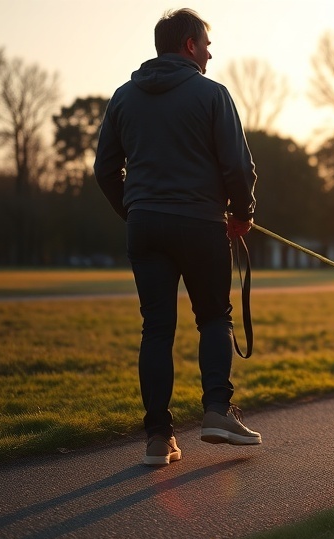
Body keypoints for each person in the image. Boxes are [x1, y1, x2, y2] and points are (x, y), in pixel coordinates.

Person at [94, 8, 261, 466]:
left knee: (156, 330)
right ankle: (216, 413)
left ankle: (157, 438)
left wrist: (133, 210)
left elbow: (104, 169)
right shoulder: (211, 94)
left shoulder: (123, 98)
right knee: (212, 318)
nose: (210, 51)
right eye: (206, 42)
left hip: (146, 227)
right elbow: (238, 166)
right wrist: (243, 213)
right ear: (189, 44)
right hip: (201, 225)